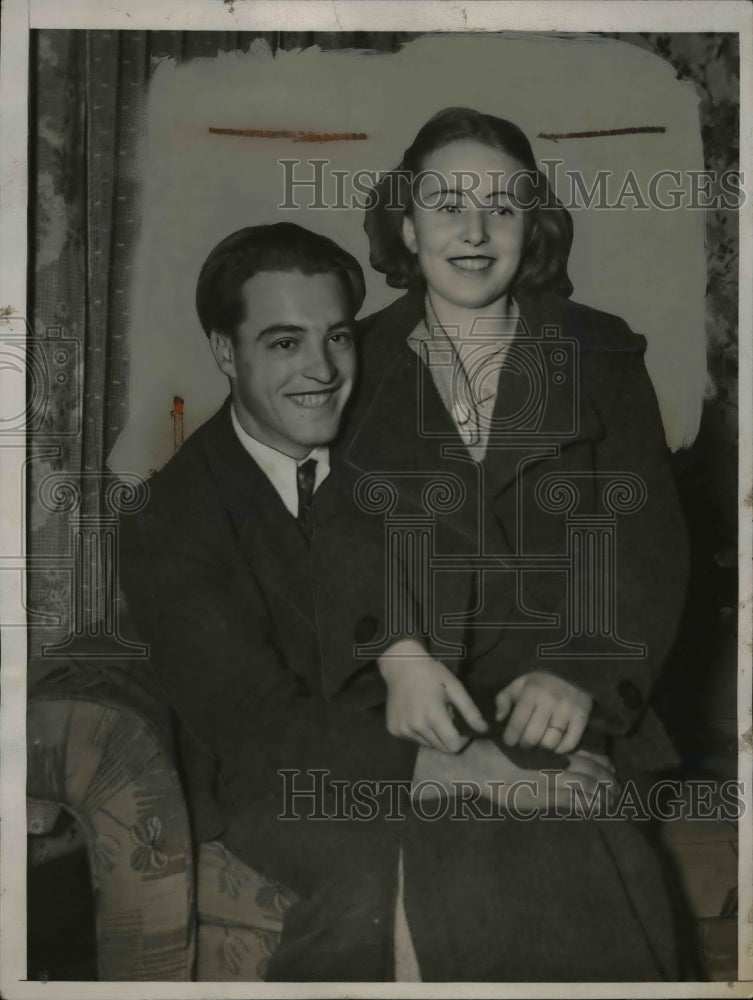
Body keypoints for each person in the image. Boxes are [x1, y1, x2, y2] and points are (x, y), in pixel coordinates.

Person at [119, 220, 618, 983]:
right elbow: (254, 724)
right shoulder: (171, 515)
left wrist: (541, 724)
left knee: (570, 832)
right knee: (382, 864)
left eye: (339, 338)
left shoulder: (394, 459)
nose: (320, 371)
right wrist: (472, 773)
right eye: (284, 342)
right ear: (225, 352)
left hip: (435, 738)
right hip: (273, 779)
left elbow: (504, 609)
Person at [326, 106, 691, 980]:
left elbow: (646, 546)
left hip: (559, 697)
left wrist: (585, 678)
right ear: (405, 223)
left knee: (566, 843)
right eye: (447, 204)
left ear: (534, 226)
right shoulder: (348, 362)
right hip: (401, 698)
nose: (476, 231)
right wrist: (397, 655)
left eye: (503, 206)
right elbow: (319, 541)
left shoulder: (596, 352)